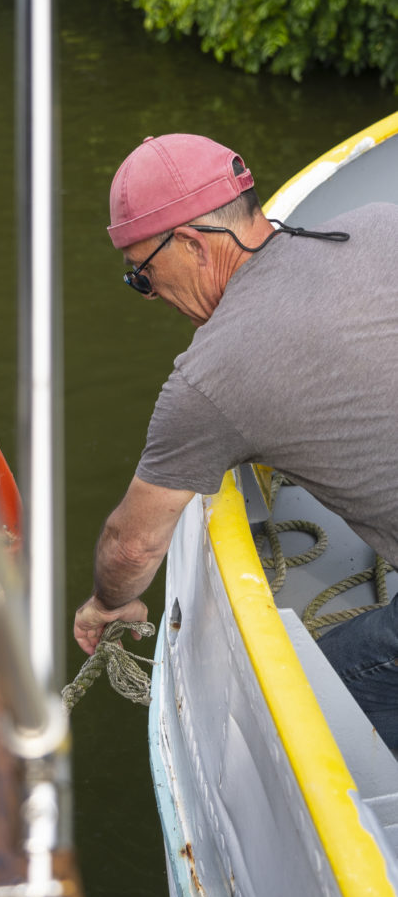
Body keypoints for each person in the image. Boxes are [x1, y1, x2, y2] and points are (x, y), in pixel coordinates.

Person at [73, 132, 398, 746]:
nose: (151, 297)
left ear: (192, 244)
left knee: (308, 703)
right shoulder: (380, 223)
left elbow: (132, 548)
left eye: (143, 277)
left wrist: (106, 604)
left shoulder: (208, 380)